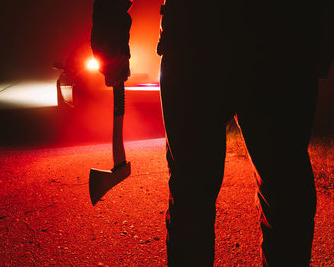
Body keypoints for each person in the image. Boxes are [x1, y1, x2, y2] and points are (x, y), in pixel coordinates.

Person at [91, 0, 327, 266]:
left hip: (210, 39)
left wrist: (110, 35)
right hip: (271, 39)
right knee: (283, 191)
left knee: (199, 191)